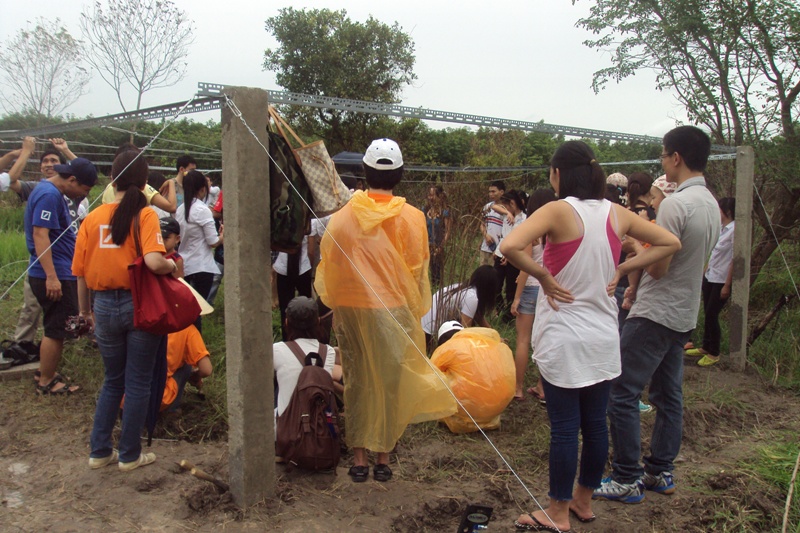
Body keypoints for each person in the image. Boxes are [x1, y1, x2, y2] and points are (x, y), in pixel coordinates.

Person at [501, 140, 680, 532]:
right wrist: (626, 267)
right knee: (596, 425)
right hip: (603, 336)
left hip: (564, 337)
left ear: (558, 174)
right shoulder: (616, 212)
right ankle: (583, 500)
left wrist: (543, 275)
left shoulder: (557, 209)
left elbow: (509, 244)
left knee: (566, 428)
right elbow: (670, 242)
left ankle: (557, 512)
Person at [315, 138, 456, 483]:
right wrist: (411, 308)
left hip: (352, 308)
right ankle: (383, 458)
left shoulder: (344, 216)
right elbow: (417, 269)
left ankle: (358, 459)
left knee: (358, 379)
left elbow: (331, 265)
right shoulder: (413, 218)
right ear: (400, 174)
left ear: (364, 172)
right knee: (390, 381)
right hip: (393, 307)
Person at [594, 126, 720, 504]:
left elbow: (659, 268)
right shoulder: (711, 204)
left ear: (676, 158)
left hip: (655, 312)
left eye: (664, 155)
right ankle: (660, 470)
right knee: (668, 395)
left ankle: (626, 477)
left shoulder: (676, 205)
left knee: (621, 390)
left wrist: (634, 249)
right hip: (684, 313)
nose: (663, 162)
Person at [73, 150, 179, 471]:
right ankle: (130, 455)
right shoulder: (145, 216)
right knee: (138, 382)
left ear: (111, 179)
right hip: (139, 304)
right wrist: (172, 266)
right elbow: (154, 262)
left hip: (103, 306)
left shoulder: (92, 218)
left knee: (113, 380)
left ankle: (99, 451)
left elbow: (80, 273)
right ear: (145, 183)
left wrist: (85, 312)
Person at [25, 157, 98, 395]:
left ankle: (46, 370)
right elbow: (40, 234)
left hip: (59, 269)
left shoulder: (51, 192)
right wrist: (52, 276)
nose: (84, 195)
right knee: (56, 329)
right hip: (53, 272)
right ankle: (46, 381)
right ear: (72, 179)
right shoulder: (49, 194)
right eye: (84, 189)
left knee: (58, 324)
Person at [511, 189, 556, 402]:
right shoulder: (558, 232)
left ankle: (518, 388)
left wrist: (516, 297)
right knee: (546, 339)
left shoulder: (532, 232)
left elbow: (525, 268)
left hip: (530, 288)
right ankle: (542, 386)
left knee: (523, 339)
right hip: (549, 290)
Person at [431, 321, 515, 433]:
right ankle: (486, 418)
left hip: (468, 407)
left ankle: (462, 416)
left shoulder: (447, 348)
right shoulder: (486, 342)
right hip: (498, 406)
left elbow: (431, 374)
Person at [273, 296, 342, 432]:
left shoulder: (277, 350)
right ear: (318, 321)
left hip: (285, 432)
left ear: (286, 322)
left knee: (277, 381)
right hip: (320, 430)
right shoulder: (328, 352)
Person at [686, 197, 735, 367]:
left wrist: (727, 284)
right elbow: (714, 253)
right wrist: (704, 271)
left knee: (713, 314)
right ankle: (705, 346)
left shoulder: (734, 230)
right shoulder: (721, 229)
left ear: (727, 212)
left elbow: (734, 259)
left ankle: (714, 352)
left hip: (721, 279)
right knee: (707, 312)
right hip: (711, 276)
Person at [175, 170, 222, 326]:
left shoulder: (180, 210)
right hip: (202, 266)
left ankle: (186, 338)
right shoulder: (202, 210)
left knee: (186, 310)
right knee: (197, 311)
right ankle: (195, 339)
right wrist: (223, 237)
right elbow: (213, 241)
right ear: (202, 189)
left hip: (184, 265)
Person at [420, 265, 498, 350]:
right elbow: (465, 331)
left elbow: (479, 317)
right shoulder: (472, 297)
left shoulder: (463, 287)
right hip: (430, 334)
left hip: (422, 325)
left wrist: (495, 336)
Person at [493, 189, 527, 318]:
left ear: (512, 203)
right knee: (495, 285)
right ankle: (500, 309)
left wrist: (509, 256)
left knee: (510, 288)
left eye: (506, 205)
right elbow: (494, 206)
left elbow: (520, 241)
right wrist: (507, 212)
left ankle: (509, 316)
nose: (505, 208)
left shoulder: (524, 219)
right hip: (500, 254)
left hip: (513, 257)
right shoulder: (506, 215)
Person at [425, 185, 451, 286]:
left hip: (438, 246)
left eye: (433, 195)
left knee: (437, 273)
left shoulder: (444, 212)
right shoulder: (425, 210)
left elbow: (447, 231)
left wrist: (441, 247)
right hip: (427, 246)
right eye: (429, 195)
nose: (430, 198)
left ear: (439, 196)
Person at [480, 181, 505, 266]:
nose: (491, 194)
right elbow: (482, 224)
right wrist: (486, 235)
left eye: (493, 191)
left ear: (501, 192)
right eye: (489, 192)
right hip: (485, 247)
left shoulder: (506, 209)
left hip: (498, 250)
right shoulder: (487, 207)